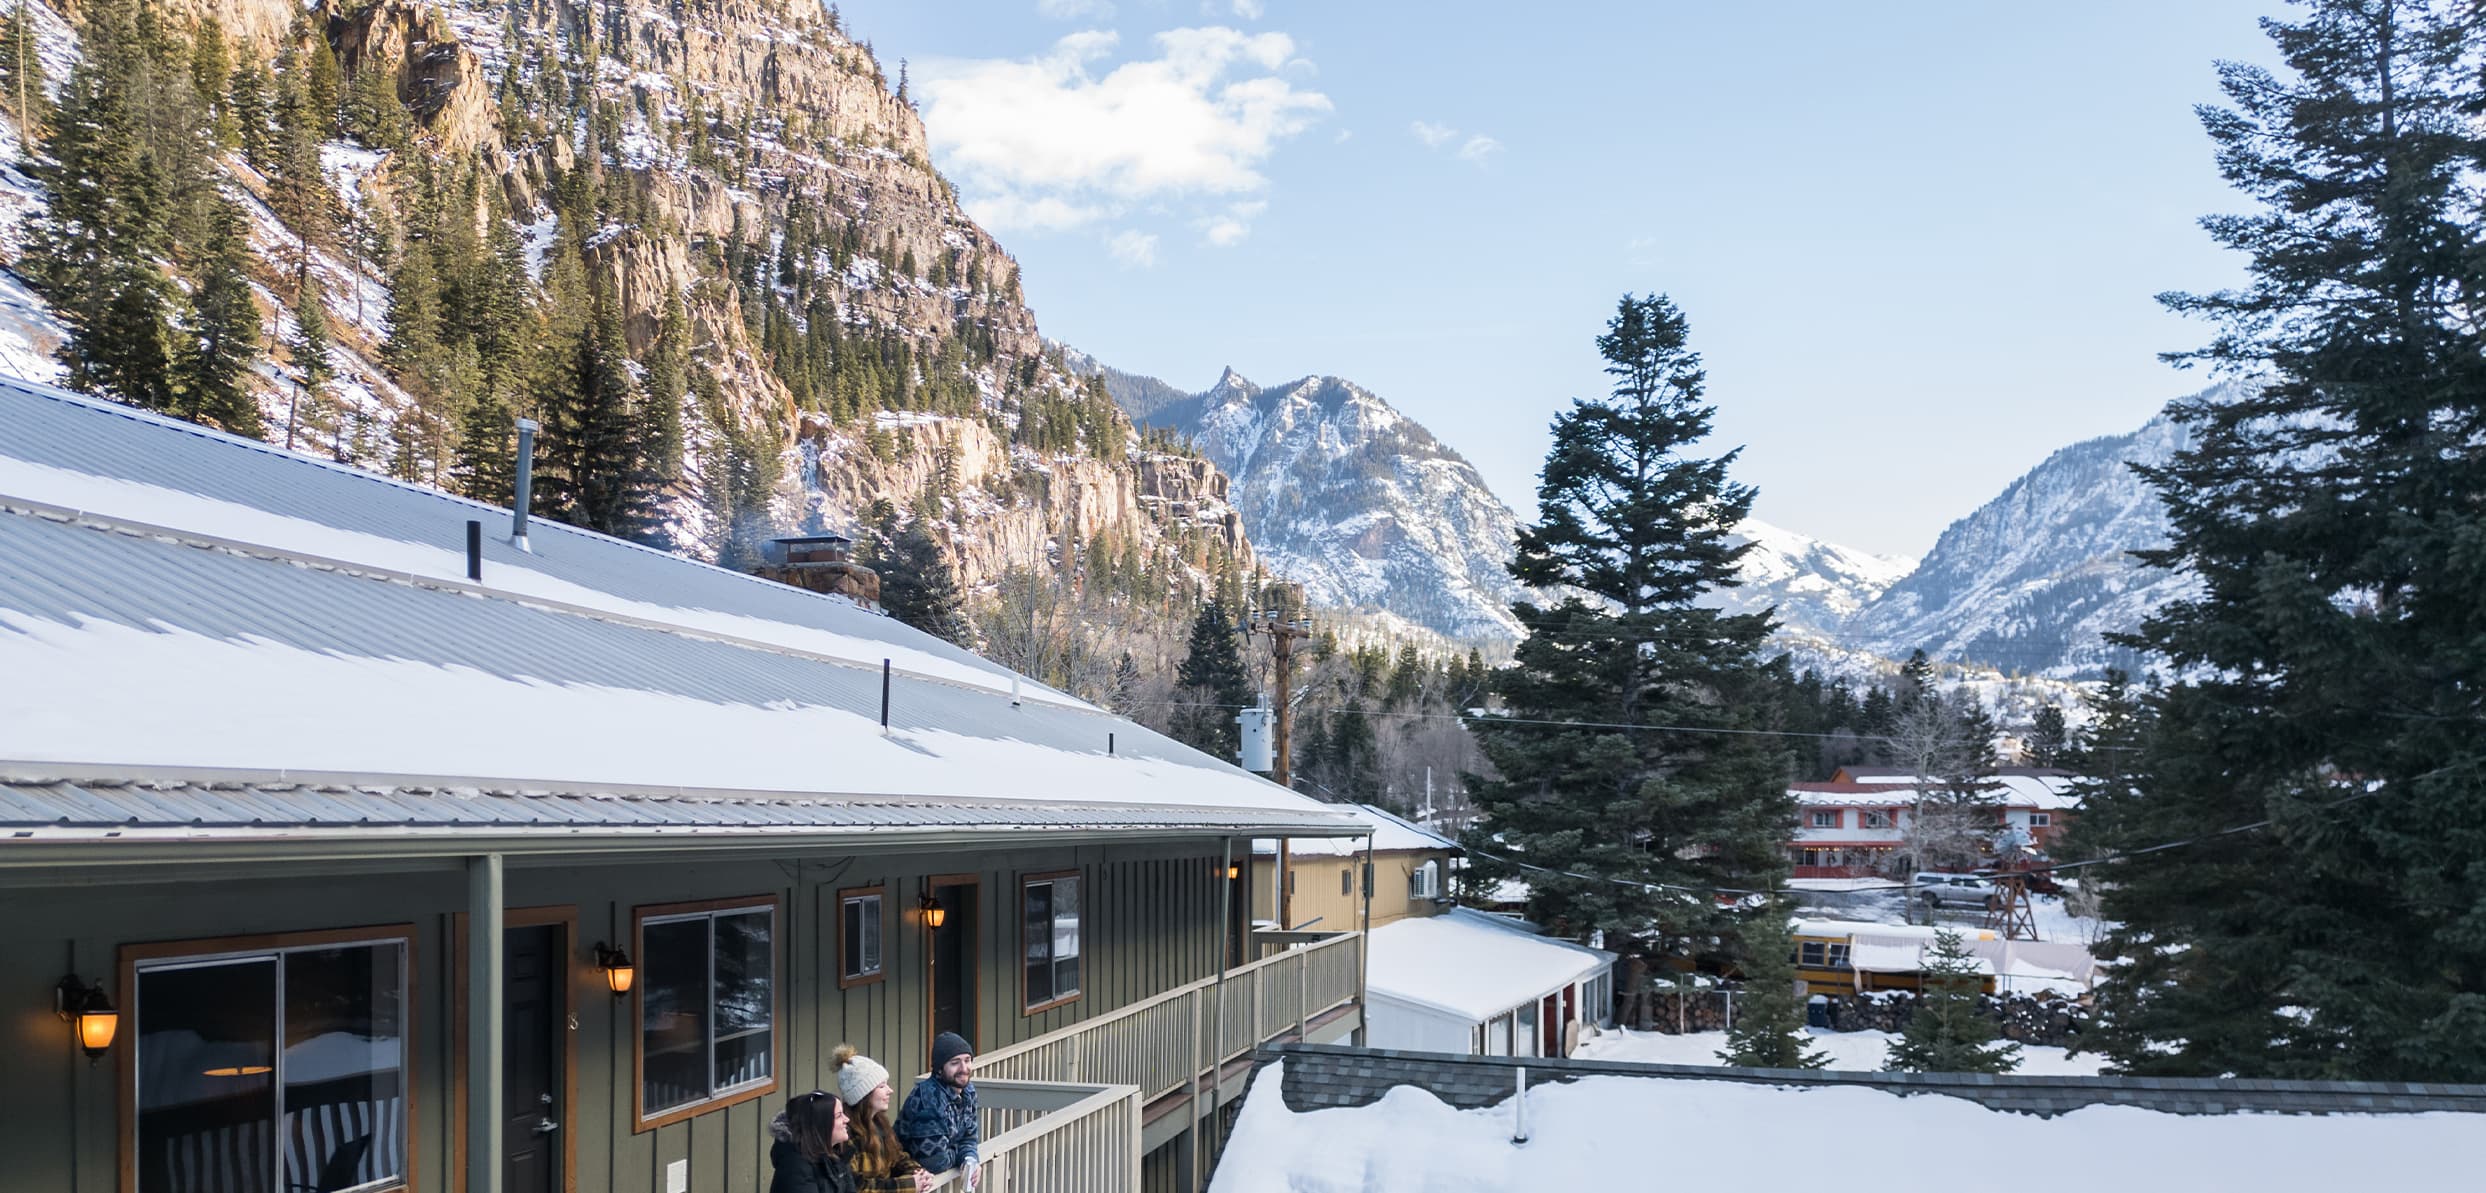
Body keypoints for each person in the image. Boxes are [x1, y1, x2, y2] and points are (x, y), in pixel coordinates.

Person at [831, 1043, 934, 1193]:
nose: (890, 1091)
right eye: (881, 1086)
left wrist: (918, 1173)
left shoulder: (879, 1124)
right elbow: (857, 1187)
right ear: (863, 1095)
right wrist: (908, 1185)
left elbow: (898, 1157)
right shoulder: (846, 1135)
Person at [895, 1031, 980, 1189]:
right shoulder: (927, 1100)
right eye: (955, 1063)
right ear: (939, 1069)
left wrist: (970, 1158)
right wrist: (960, 1153)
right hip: (908, 1181)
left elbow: (970, 1137)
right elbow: (935, 1162)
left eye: (967, 1060)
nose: (964, 1068)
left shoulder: (968, 1091)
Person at [769, 1089, 858, 1193]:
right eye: (839, 1115)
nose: (846, 1119)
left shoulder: (836, 1153)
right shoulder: (796, 1167)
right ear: (821, 1124)